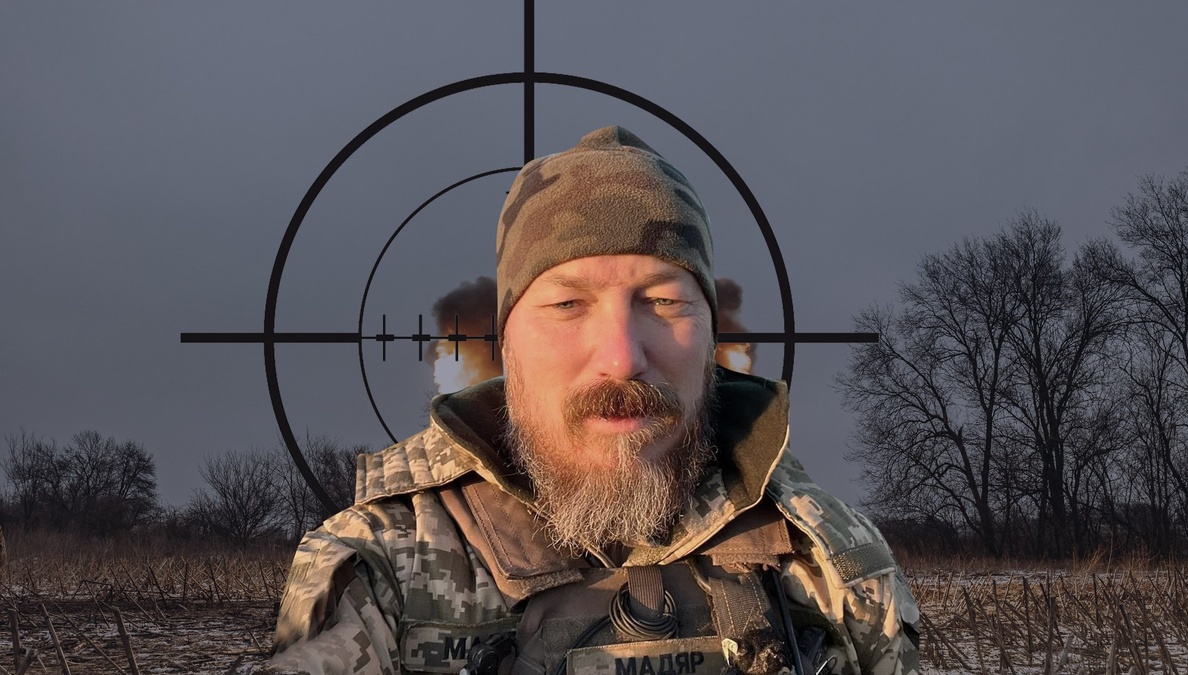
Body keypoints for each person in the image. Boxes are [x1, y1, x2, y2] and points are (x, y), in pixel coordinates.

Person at [269, 126, 920, 675]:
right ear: (507, 344)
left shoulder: (831, 558)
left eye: (664, 301)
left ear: (710, 336)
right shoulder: (382, 566)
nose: (621, 356)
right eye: (567, 304)